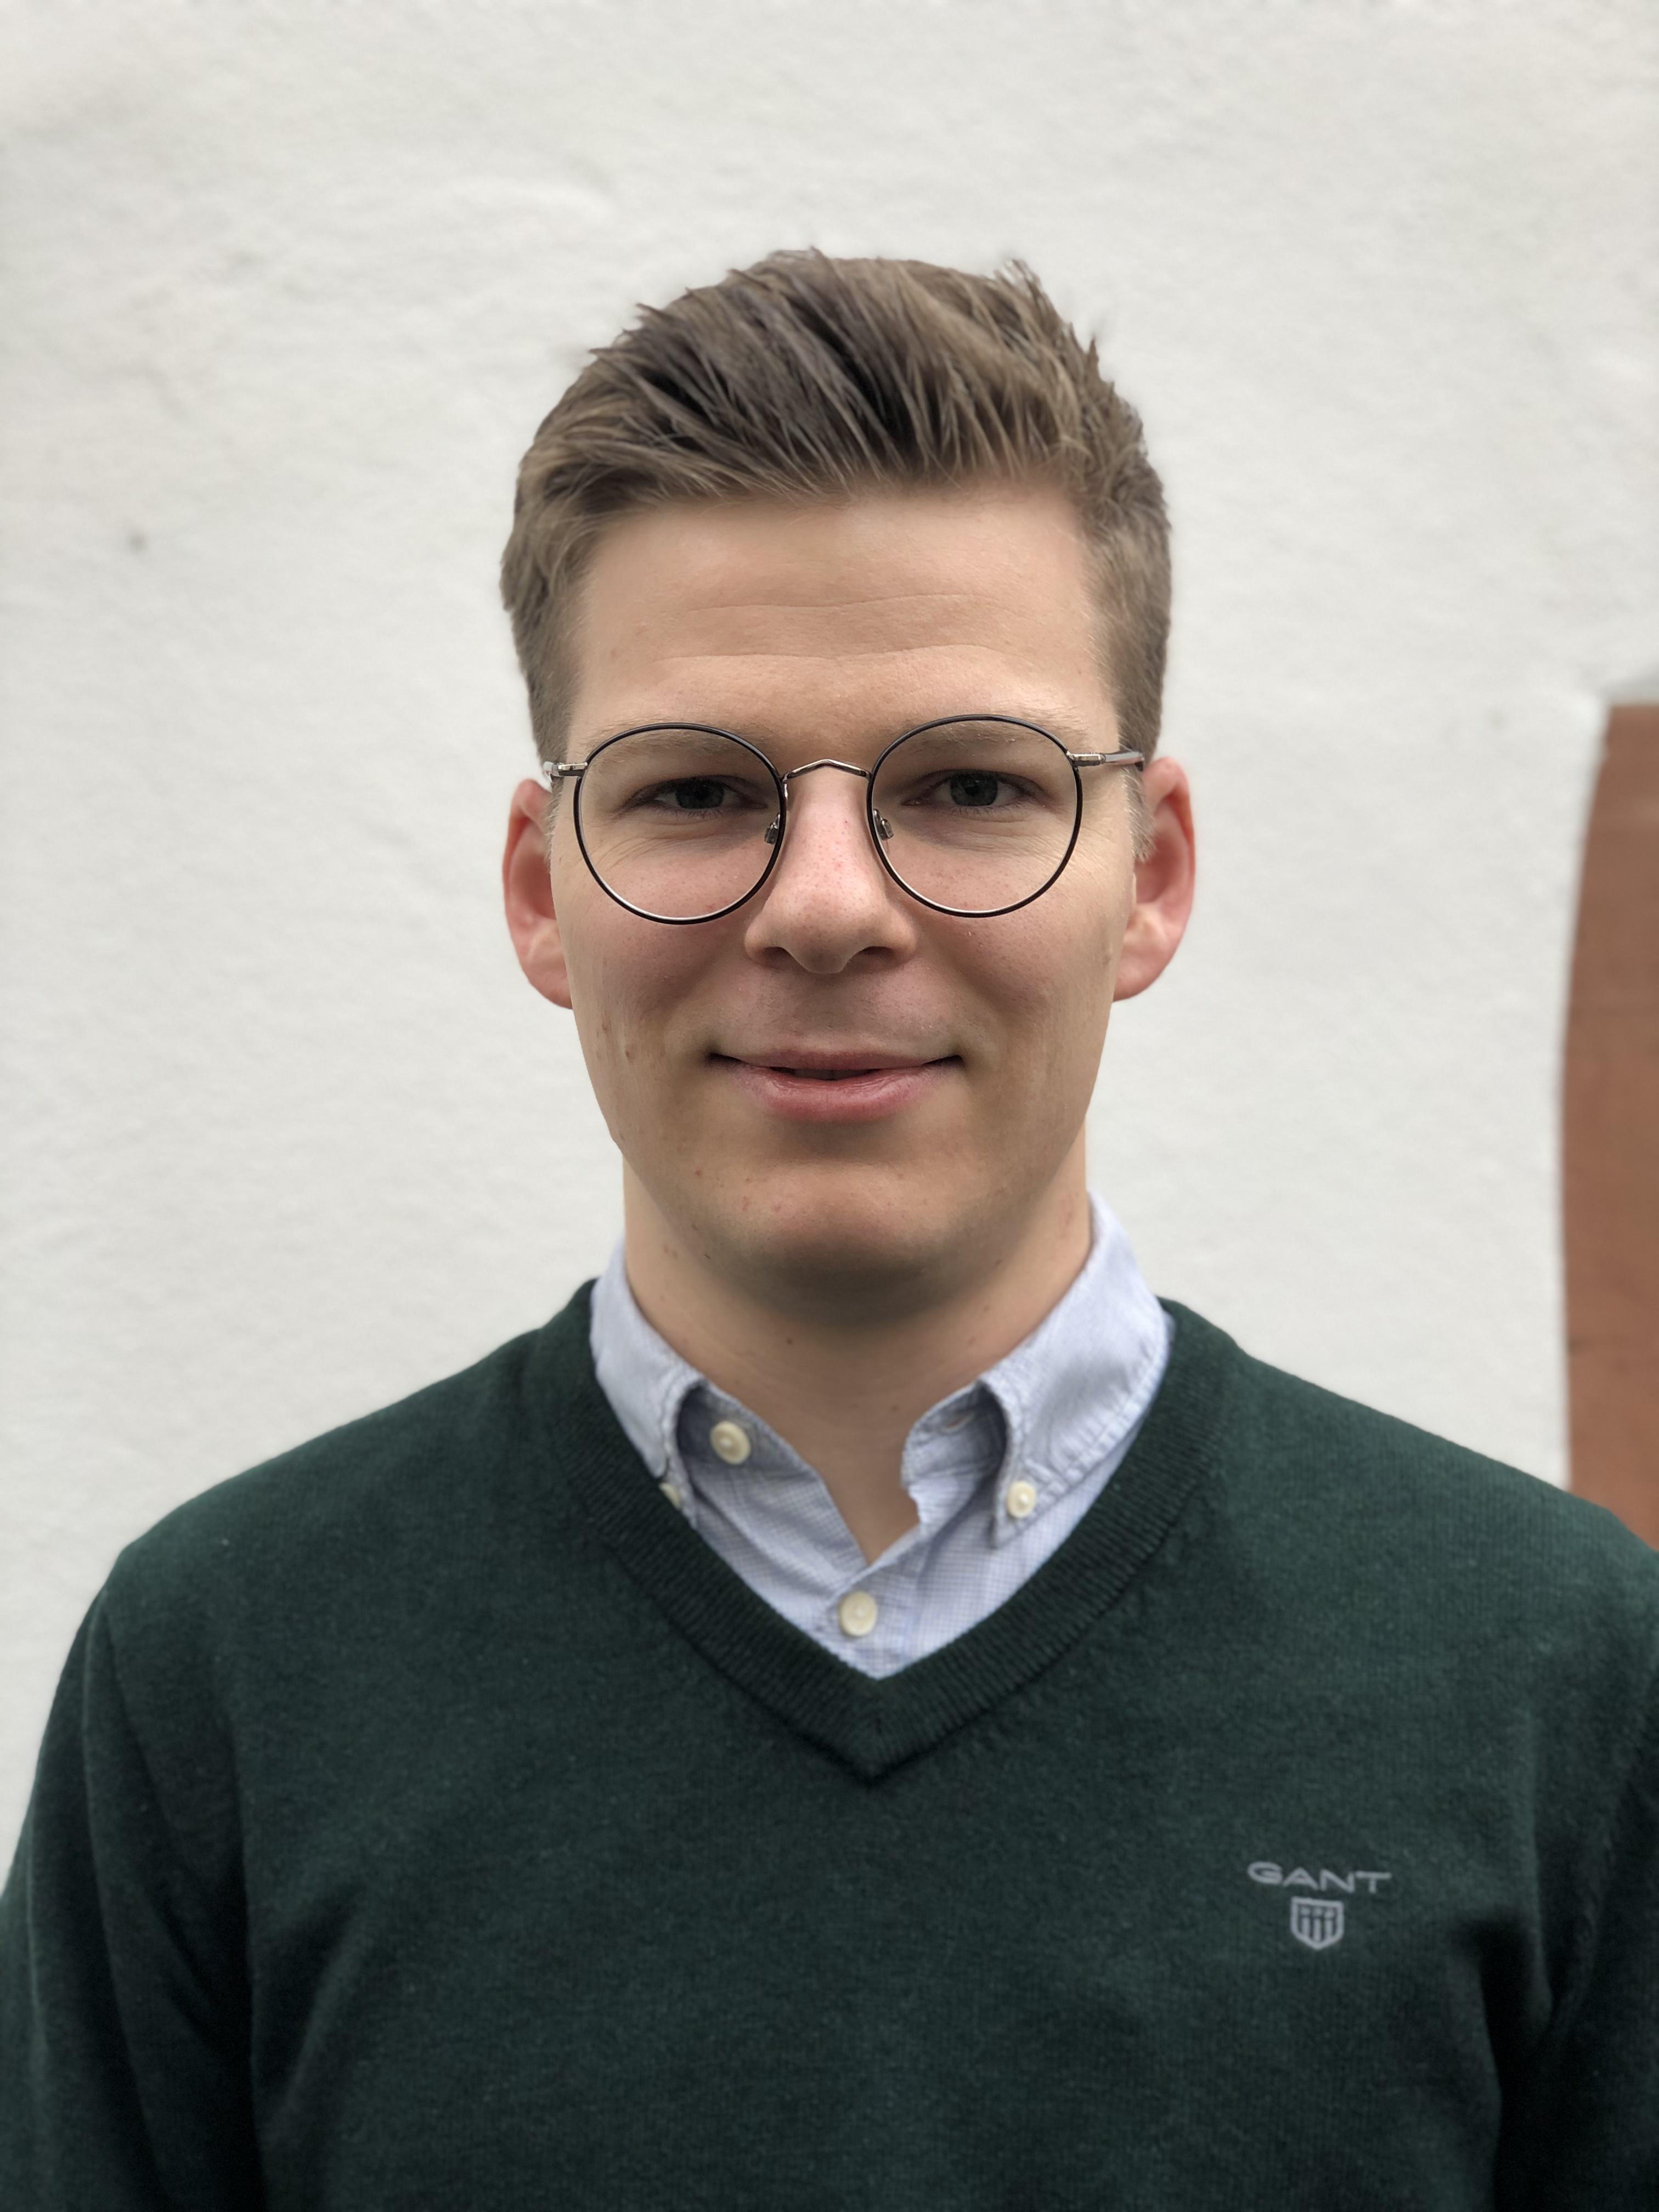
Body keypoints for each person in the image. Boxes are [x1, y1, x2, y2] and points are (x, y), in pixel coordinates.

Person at [2, 251, 1655, 2210]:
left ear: (1150, 874)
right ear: (542, 890)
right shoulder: (226, 1675)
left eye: (969, 786)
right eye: (700, 791)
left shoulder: (1558, 1674)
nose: (827, 908)